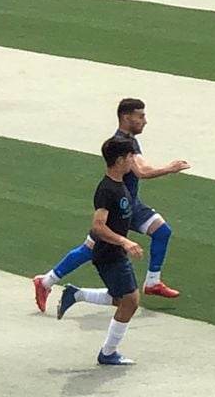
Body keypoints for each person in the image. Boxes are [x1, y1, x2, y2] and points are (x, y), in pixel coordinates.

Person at [32, 97, 189, 312]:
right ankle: (46, 282)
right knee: (92, 248)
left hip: (131, 204)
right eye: (140, 116)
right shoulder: (121, 144)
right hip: (119, 206)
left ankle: (152, 282)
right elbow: (141, 171)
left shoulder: (129, 141)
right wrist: (170, 168)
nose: (145, 121)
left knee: (161, 231)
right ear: (126, 117)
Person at [53, 135, 145, 366]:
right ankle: (108, 353)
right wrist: (124, 242)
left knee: (120, 298)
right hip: (109, 254)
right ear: (120, 160)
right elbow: (98, 226)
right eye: (131, 157)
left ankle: (76, 294)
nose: (133, 160)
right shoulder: (107, 190)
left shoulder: (120, 184)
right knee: (130, 301)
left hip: (114, 252)